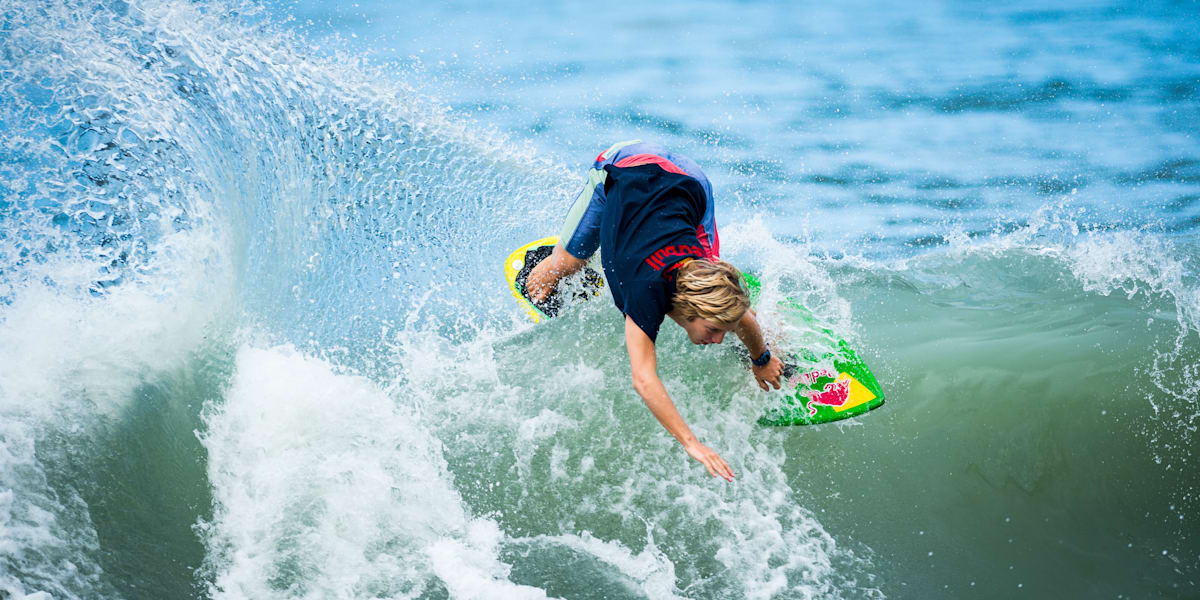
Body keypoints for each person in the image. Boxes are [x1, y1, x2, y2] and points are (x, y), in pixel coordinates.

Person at [525, 140, 784, 482]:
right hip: (625, 165)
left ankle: (764, 347)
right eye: (714, 330)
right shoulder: (647, 293)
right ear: (686, 309)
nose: (718, 339)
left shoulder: (702, 279)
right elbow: (644, 380)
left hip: (690, 182)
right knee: (559, 270)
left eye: (722, 330)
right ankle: (543, 268)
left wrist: (762, 359)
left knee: (716, 277)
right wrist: (693, 444)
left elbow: (744, 318)